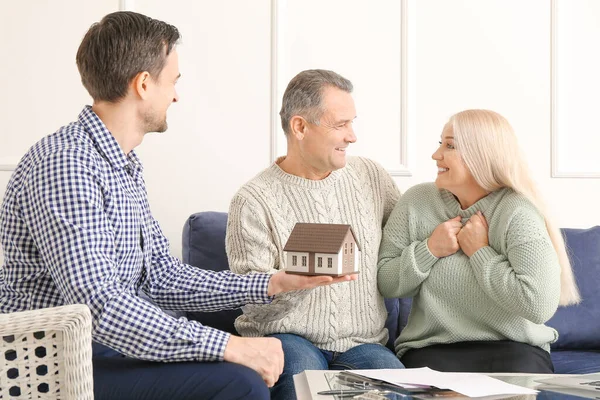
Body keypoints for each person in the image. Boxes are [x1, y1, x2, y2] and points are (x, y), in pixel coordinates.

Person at [0, 12, 352, 400]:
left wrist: (273, 283)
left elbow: (161, 278)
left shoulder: (121, 165)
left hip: (108, 348)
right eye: (173, 82)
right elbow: (100, 307)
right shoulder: (65, 165)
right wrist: (229, 346)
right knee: (241, 382)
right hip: (58, 363)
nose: (176, 95)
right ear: (144, 84)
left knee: (240, 372)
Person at [226, 69, 405, 400]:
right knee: (300, 388)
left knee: (398, 392)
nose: (352, 136)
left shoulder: (371, 176)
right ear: (300, 127)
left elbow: (406, 238)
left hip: (363, 343)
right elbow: (251, 304)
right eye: (340, 125)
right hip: (288, 338)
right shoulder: (253, 200)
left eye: (352, 123)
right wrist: (297, 283)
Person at [377, 109, 581, 373]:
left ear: (480, 156)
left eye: (449, 145)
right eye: (440, 143)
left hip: (514, 349)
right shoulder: (417, 202)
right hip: (431, 349)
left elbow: (538, 306)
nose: (436, 155)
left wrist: (480, 252)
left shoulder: (517, 212)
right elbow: (386, 282)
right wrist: (430, 249)